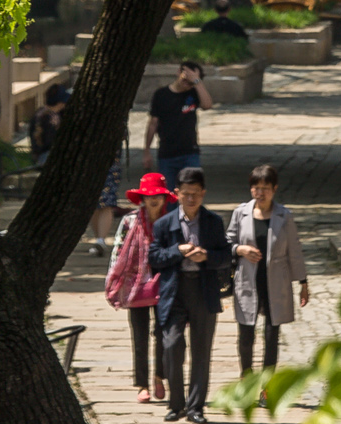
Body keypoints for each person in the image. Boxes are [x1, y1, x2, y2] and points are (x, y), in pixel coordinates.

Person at [149, 166, 232, 422]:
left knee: (201, 350)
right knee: (172, 346)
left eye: (196, 194)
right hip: (174, 291)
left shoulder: (213, 222)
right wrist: (179, 250)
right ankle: (177, 404)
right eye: (186, 194)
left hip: (203, 289)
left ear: (203, 193)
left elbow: (226, 256)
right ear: (176, 194)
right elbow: (154, 258)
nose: (191, 199)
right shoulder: (164, 224)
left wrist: (206, 256)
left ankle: (196, 408)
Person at [226, 163, 309, 380]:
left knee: (272, 335)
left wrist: (303, 282)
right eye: (256, 188)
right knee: (246, 334)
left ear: (275, 189)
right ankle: (246, 377)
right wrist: (240, 249)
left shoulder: (284, 216)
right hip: (247, 279)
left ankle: (267, 384)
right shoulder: (240, 213)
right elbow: (227, 242)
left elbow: (295, 250)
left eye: (265, 188)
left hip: (276, 281)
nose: (260, 193)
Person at [105, 172, 173, 403]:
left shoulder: (171, 221)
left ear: (164, 198)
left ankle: (159, 376)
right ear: (142, 198)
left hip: (165, 285)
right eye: (148, 196)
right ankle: (142, 384)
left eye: (157, 196)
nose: (153, 200)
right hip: (136, 285)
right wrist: (113, 281)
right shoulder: (130, 221)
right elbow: (118, 250)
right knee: (140, 335)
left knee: (164, 334)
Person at [144, 62, 213, 186]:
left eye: (191, 83)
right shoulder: (161, 94)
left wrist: (197, 82)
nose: (187, 85)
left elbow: (207, 105)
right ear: (179, 72)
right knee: (169, 197)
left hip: (190, 152)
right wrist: (147, 151)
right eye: (185, 79)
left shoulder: (193, 93)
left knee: (192, 190)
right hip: (167, 153)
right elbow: (153, 123)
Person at [29, 84, 69, 167]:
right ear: (60, 103)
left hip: (39, 155)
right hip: (47, 156)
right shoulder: (52, 119)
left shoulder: (40, 113)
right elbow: (50, 141)